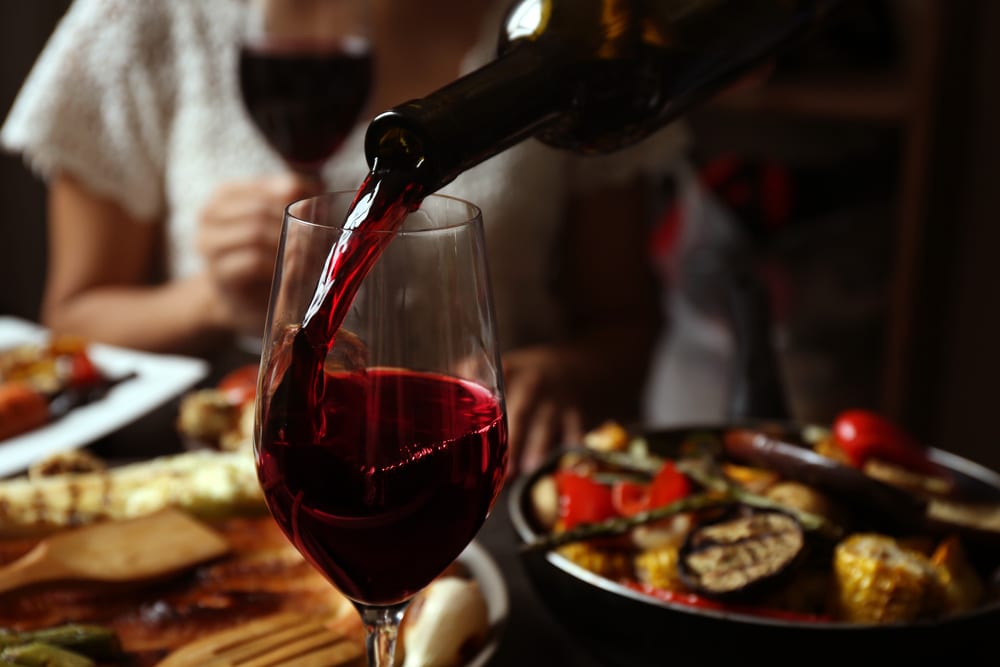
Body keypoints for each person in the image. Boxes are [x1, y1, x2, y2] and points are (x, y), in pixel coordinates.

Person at [1, 0, 689, 475]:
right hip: (242, 482)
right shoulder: (143, 18)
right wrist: (209, 301)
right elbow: (71, 319)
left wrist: (570, 372)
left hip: (482, 479)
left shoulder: (574, 37)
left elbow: (625, 324)